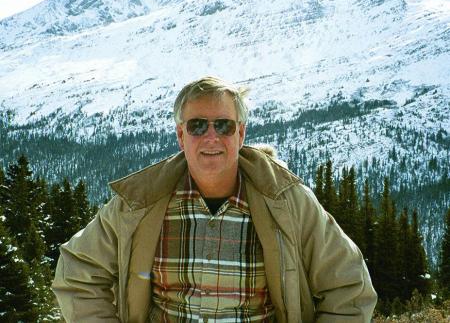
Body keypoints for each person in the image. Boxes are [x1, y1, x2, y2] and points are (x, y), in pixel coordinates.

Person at [52, 76, 377, 322]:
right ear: (181, 136)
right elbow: (78, 269)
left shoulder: (286, 201)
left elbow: (348, 285)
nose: (211, 137)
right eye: (197, 126)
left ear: (241, 133)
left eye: (223, 125)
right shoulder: (141, 203)